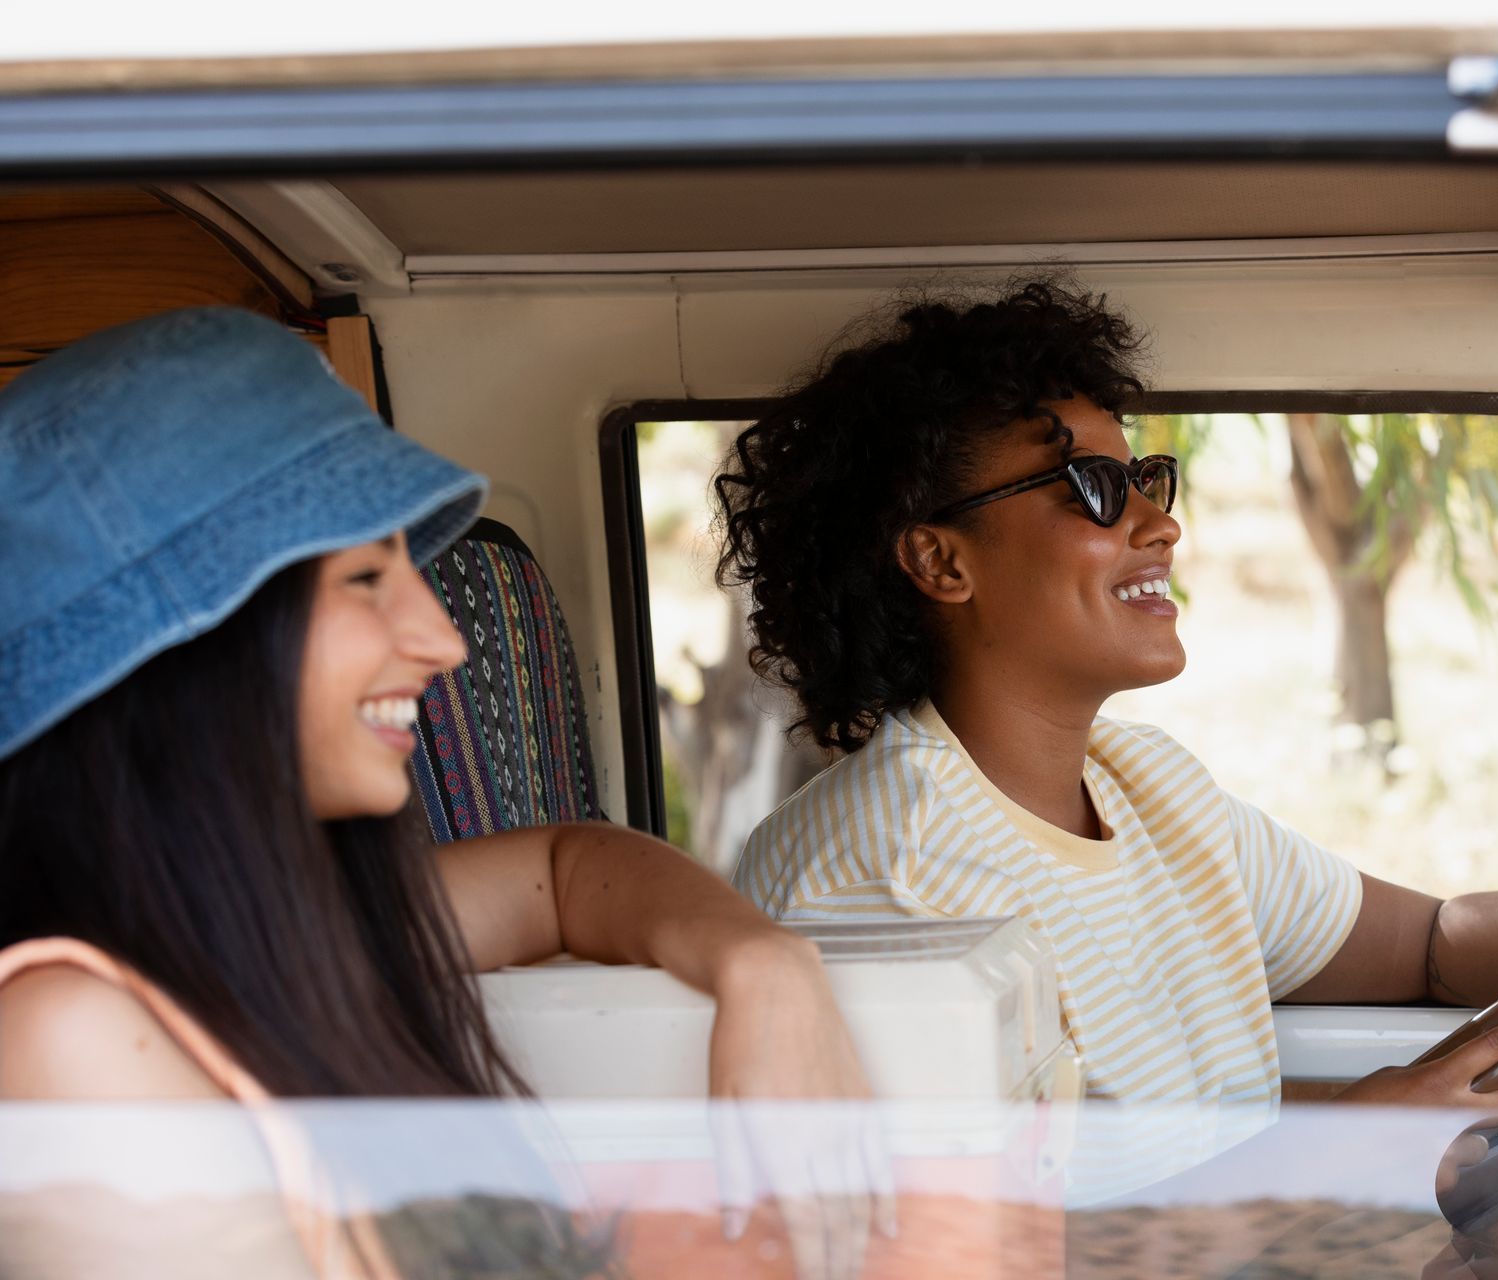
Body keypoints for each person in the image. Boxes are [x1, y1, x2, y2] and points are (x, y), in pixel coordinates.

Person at [0, 307, 887, 1280]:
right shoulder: (65, 1040)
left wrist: (765, 965)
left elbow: (563, 864)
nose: (443, 637)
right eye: (367, 578)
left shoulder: (287, 926)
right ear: (181, 649)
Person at [719, 277, 1498, 1125]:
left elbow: (1432, 942)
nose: (1163, 525)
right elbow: (995, 1243)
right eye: (1094, 487)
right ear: (940, 558)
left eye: (1149, 478)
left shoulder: (1148, 783)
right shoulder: (878, 880)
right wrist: (1353, 1134)